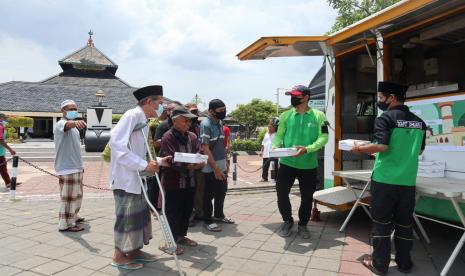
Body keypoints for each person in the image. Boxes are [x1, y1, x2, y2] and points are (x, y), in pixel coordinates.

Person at [351, 81, 426, 275]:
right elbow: (418, 152)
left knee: (382, 224)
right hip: (407, 181)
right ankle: (404, 263)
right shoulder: (420, 122)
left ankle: (380, 265)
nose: (379, 100)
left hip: (385, 180)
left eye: (381, 97)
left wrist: (360, 148)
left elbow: (382, 146)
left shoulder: (385, 118)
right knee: (404, 223)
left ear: (392, 97)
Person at [109, 85, 171, 270]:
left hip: (139, 178)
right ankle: (119, 256)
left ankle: (135, 251)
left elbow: (141, 151)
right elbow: (116, 144)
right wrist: (144, 165)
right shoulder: (132, 115)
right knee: (126, 218)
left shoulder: (143, 120)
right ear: (149, 101)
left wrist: (158, 161)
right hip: (126, 180)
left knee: (139, 218)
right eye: (160, 102)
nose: (163, 106)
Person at [273, 85, 328, 238]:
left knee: (307, 197)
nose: (293, 98)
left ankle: (303, 225)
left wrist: (308, 148)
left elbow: (324, 137)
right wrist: (275, 146)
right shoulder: (285, 116)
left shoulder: (319, 116)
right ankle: (287, 221)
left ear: (306, 97)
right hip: (287, 163)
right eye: (291, 95)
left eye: (296, 95)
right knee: (281, 193)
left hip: (308, 165)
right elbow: (279, 135)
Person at [159, 106, 205, 255]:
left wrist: (200, 161)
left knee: (186, 210)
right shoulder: (168, 136)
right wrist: (191, 165)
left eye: (189, 120)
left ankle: (181, 236)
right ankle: (168, 242)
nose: (188, 123)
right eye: (184, 120)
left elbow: (199, 151)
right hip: (174, 181)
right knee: (173, 211)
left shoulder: (192, 136)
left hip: (190, 181)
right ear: (175, 120)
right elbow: (171, 158)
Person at [201, 99, 234, 232]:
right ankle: (207, 220)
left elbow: (221, 144)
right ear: (211, 111)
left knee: (221, 191)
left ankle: (219, 215)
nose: (223, 112)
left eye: (224, 109)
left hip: (221, 162)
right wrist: (215, 169)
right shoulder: (206, 124)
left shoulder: (220, 122)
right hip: (211, 165)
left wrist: (225, 161)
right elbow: (205, 148)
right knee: (209, 193)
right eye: (220, 110)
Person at [53, 100, 86, 232]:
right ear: (63, 110)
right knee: (68, 198)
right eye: (70, 108)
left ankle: (74, 216)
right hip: (67, 168)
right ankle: (66, 223)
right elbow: (67, 124)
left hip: (76, 166)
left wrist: (81, 165)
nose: (74, 111)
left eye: (75, 108)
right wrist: (75, 122)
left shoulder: (75, 130)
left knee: (77, 196)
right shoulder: (60, 124)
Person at [260, 118, 279, 182]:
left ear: (274, 128)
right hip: (266, 153)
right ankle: (264, 178)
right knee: (265, 167)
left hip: (274, 153)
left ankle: (276, 178)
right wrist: (261, 151)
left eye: (270, 127)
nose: (269, 128)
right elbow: (263, 143)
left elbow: (280, 144)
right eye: (268, 127)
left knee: (275, 167)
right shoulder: (266, 134)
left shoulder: (277, 135)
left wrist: (278, 153)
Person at [0, 113, 16, 189]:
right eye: (5, 118)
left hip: (1, 152)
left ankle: (8, 182)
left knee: (3, 168)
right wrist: (10, 149)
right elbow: (1, 140)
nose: (6, 120)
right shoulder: (0, 127)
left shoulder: (2, 127)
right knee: (3, 167)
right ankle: (9, 183)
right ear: (1, 118)